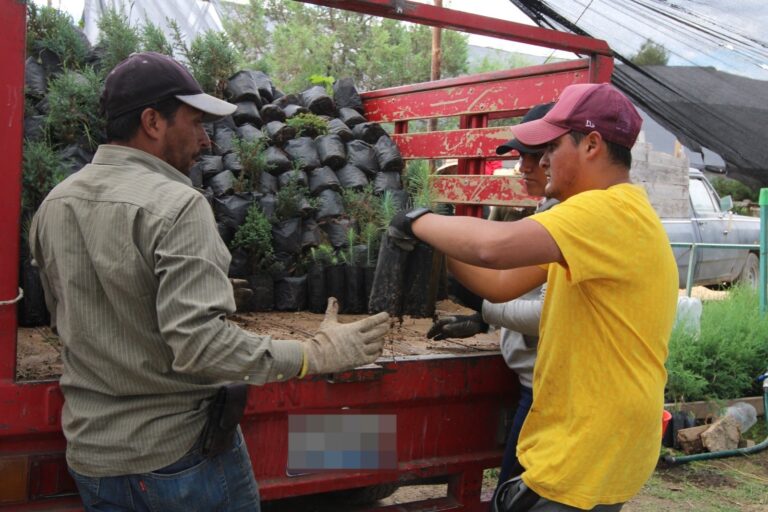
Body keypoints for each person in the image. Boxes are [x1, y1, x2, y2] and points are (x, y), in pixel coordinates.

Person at [29, 52, 390, 512]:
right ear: (152, 121)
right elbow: (201, 348)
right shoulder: (178, 205)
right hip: (179, 462)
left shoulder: (55, 204)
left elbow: (73, 314)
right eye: (195, 122)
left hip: (94, 459)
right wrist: (314, 354)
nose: (205, 140)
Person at [391, 83, 678, 511]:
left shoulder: (606, 211)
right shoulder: (604, 219)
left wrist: (416, 220)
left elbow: (494, 248)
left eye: (553, 146)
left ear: (592, 145)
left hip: (586, 445)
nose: (541, 160)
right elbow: (502, 280)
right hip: (600, 439)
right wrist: (441, 244)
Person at [427, 103, 555, 487]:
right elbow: (520, 285)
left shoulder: (570, 223)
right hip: (533, 383)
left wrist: (483, 306)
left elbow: (548, 312)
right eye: (521, 157)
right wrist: (482, 319)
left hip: (545, 393)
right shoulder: (547, 214)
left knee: (516, 493)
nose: (523, 168)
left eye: (534, 156)